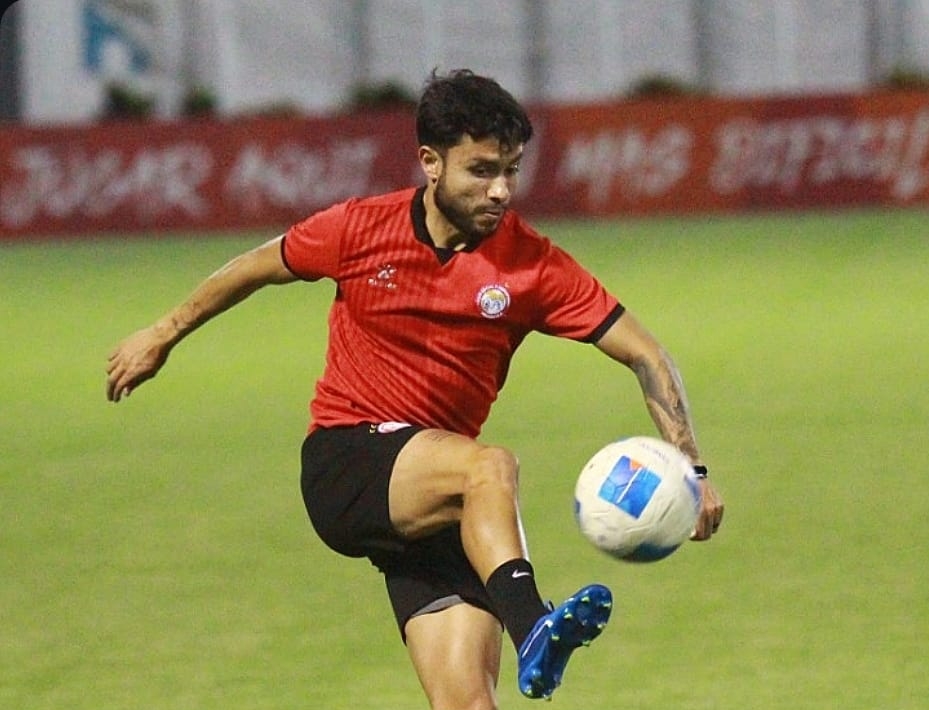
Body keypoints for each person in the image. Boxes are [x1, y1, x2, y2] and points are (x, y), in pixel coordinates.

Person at [106, 68, 724, 709]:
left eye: (511, 170)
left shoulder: (533, 266)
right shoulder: (358, 228)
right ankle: (533, 625)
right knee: (490, 467)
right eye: (481, 170)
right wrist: (163, 333)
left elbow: (647, 354)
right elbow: (257, 266)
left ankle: (529, 630)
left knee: (467, 702)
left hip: (439, 497)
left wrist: (693, 467)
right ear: (431, 162)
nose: (501, 190)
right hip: (348, 460)